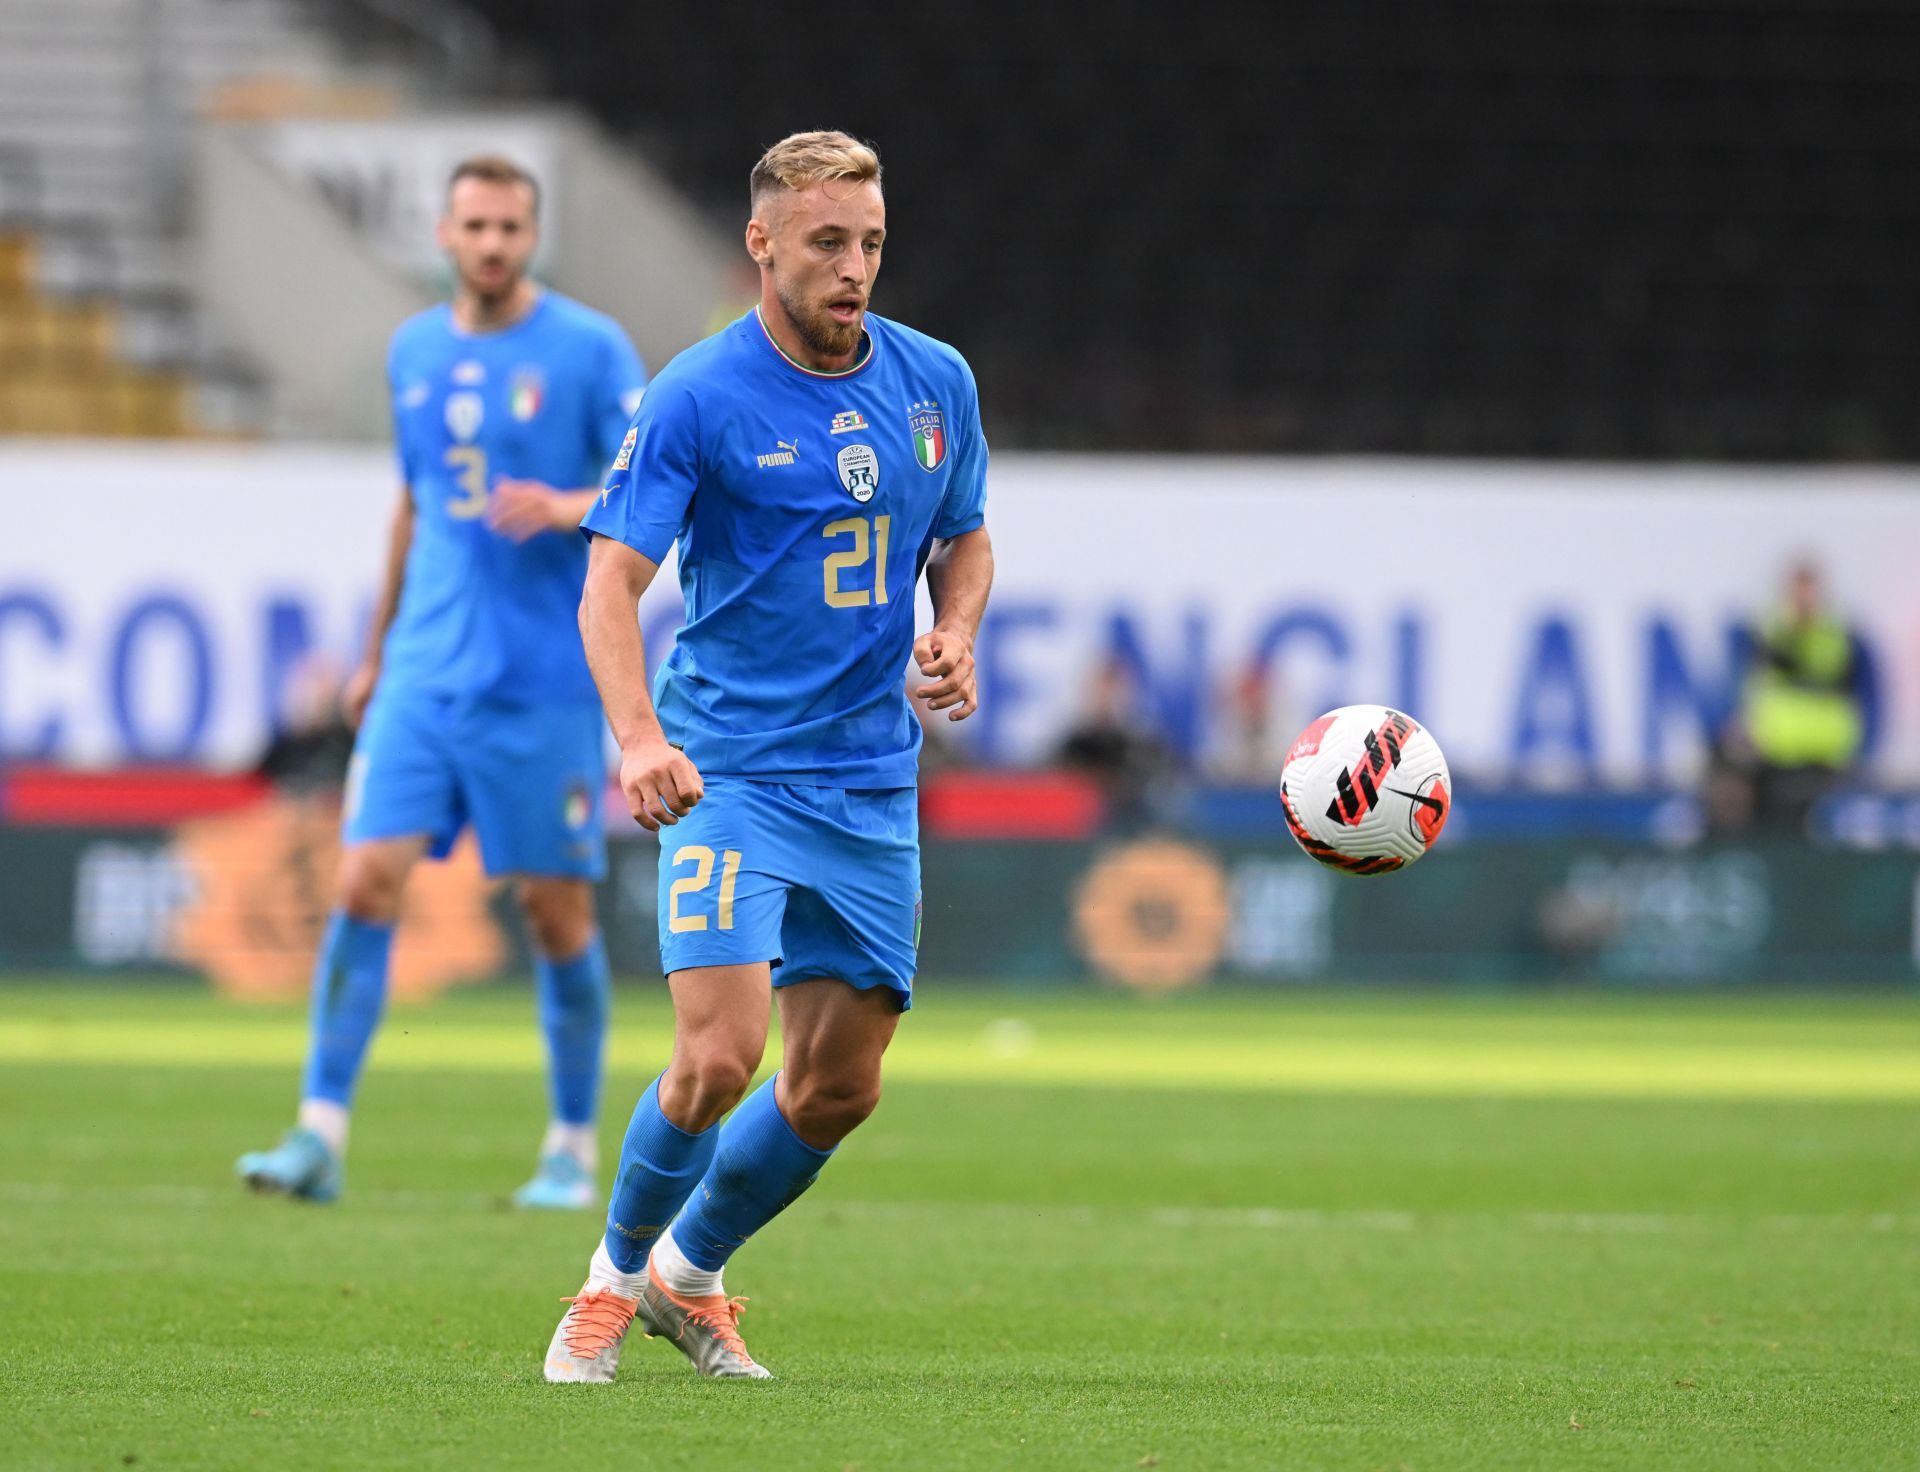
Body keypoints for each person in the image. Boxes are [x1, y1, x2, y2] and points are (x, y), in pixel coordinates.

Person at [542, 130, 993, 1383]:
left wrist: (953, 631)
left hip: (869, 781)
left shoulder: (933, 379)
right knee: (718, 1053)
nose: (856, 269)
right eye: (829, 244)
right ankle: (609, 1278)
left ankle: (689, 1276)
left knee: (840, 1085)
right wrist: (639, 736)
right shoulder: (695, 393)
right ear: (762, 244)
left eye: (872, 245)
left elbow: (965, 538)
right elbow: (608, 584)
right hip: (729, 768)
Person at [235, 155, 648, 1209]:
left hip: (542, 680)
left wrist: (565, 506)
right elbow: (412, 506)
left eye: (512, 226)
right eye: (477, 225)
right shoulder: (413, 349)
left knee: (556, 913)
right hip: (424, 670)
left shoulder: (592, 349)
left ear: (532, 235)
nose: (495, 244)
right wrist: (376, 650)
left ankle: (568, 1147)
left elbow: (650, 480)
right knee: (364, 880)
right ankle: (317, 1133)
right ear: (444, 233)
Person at [1732, 558, 1868, 832]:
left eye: (1808, 590)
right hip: (1778, 752)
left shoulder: (1832, 631)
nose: (1803, 598)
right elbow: (1764, 682)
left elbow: (1829, 672)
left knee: (1818, 831)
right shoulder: (1769, 628)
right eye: (1798, 590)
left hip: (1824, 753)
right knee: (1773, 827)